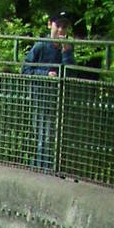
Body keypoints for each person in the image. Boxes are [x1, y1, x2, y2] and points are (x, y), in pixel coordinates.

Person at [23, 11, 74, 172]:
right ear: (50, 25)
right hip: (40, 95)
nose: (61, 31)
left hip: (59, 98)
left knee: (53, 135)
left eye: (64, 27)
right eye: (58, 26)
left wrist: (67, 53)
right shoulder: (41, 46)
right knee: (43, 134)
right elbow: (25, 70)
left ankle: (45, 167)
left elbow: (71, 73)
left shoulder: (67, 49)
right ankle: (43, 168)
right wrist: (46, 74)